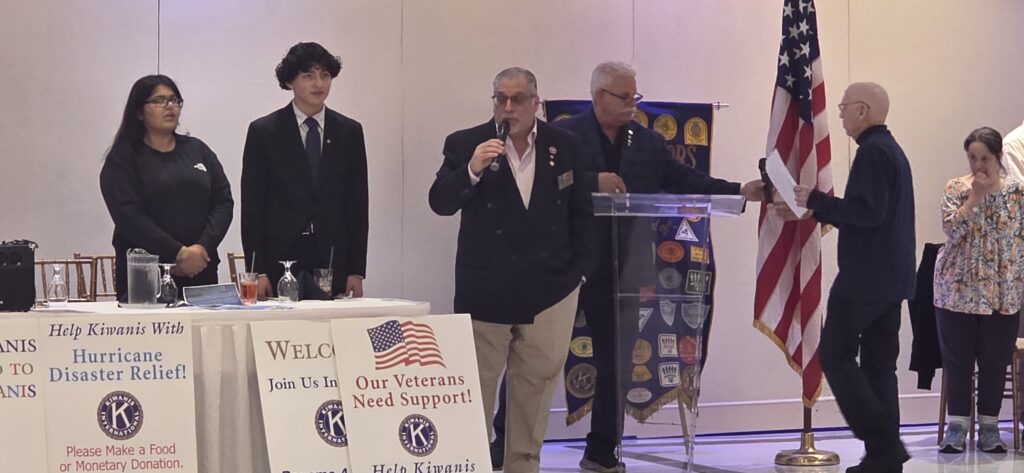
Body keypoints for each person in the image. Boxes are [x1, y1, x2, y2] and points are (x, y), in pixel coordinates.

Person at [540, 61, 761, 473]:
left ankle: (601, 451)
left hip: (623, 270)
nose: (632, 104)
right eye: (624, 97)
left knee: (616, 364)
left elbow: (686, 180)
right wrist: (592, 181)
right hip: (566, 266)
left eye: (635, 96)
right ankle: (507, 442)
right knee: (538, 357)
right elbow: (545, 184)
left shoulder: (646, 142)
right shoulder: (565, 136)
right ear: (598, 96)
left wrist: (738, 190)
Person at [428, 67, 595, 473]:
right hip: (487, 288)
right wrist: (471, 169)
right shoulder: (466, 143)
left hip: (551, 289)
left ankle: (523, 465)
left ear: (536, 102)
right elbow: (440, 201)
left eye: (517, 99)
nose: (507, 108)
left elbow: (583, 214)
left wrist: (579, 273)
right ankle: (471, 464)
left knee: (534, 390)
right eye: (500, 99)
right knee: (476, 389)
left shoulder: (566, 145)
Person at [779, 82, 915, 473]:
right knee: (878, 366)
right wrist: (816, 209)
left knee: (834, 355)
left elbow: (866, 213)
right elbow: (872, 214)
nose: (839, 114)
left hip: (864, 279)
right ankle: (883, 459)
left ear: (863, 110)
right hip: (891, 278)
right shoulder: (890, 151)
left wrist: (814, 200)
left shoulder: (872, 152)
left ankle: (884, 443)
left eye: (843, 107)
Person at [241, 42, 368, 299]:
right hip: (280, 256)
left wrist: (356, 270)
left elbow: (357, 205)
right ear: (290, 81)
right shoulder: (264, 132)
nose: (319, 84)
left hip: (332, 256)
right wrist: (257, 271)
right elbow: (253, 207)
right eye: (308, 76)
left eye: (325, 75)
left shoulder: (349, 132)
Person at [100, 74, 233, 302]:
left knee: (202, 325)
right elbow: (129, 217)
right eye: (159, 100)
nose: (169, 106)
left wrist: (201, 249)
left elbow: (223, 202)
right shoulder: (123, 158)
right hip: (145, 276)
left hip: (200, 267)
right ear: (139, 112)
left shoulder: (197, 150)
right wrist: (177, 254)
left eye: (174, 100)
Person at [933, 127, 1021, 454]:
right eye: (972, 158)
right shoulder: (957, 188)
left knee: (994, 362)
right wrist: (974, 198)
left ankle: (989, 427)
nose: (978, 165)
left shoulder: (1017, 192)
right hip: (957, 291)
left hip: (1003, 292)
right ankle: (956, 428)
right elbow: (951, 229)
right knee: (959, 362)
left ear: (998, 157)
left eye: (985, 158)